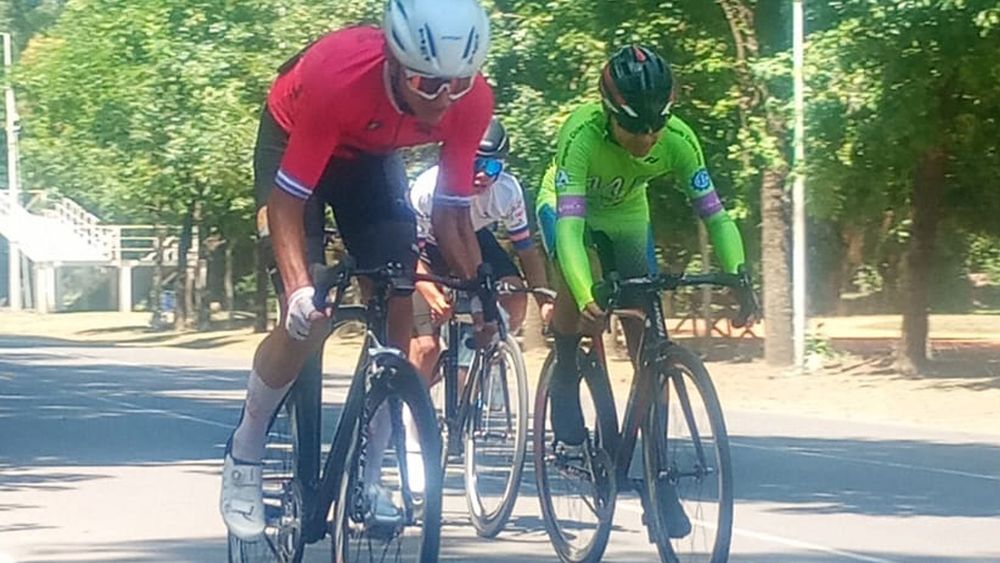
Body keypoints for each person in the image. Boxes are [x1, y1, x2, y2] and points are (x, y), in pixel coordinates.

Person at [220, 0, 495, 540]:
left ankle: (370, 476)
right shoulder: (338, 77)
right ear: (394, 61)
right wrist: (300, 290)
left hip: (370, 155)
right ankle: (245, 451)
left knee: (398, 290)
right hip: (297, 141)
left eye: (456, 85)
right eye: (426, 82)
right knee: (308, 319)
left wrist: (481, 288)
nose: (442, 101)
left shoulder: (472, 99)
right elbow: (287, 204)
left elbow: (451, 211)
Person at [536, 44, 757, 448]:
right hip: (569, 209)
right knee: (582, 290)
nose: (648, 136)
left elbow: (716, 216)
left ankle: (658, 475)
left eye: (657, 124)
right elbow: (569, 229)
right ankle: (566, 372)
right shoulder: (581, 134)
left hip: (627, 215)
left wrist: (739, 275)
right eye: (636, 126)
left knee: (645, 329)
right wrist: (587, 293)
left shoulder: (679, 140)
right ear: (609, 113)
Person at [408, 117, 554, 384]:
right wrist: (431, 295)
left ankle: (479, 359)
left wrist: (543, 297)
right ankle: (409, 405)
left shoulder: (507, 192)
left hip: (475, 237)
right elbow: (409, 254)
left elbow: (526, 249)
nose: (484, 174)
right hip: (427, 248)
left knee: (515, 294)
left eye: (493, 166)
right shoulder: (427, 190)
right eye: (476, 163)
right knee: (426, 349)